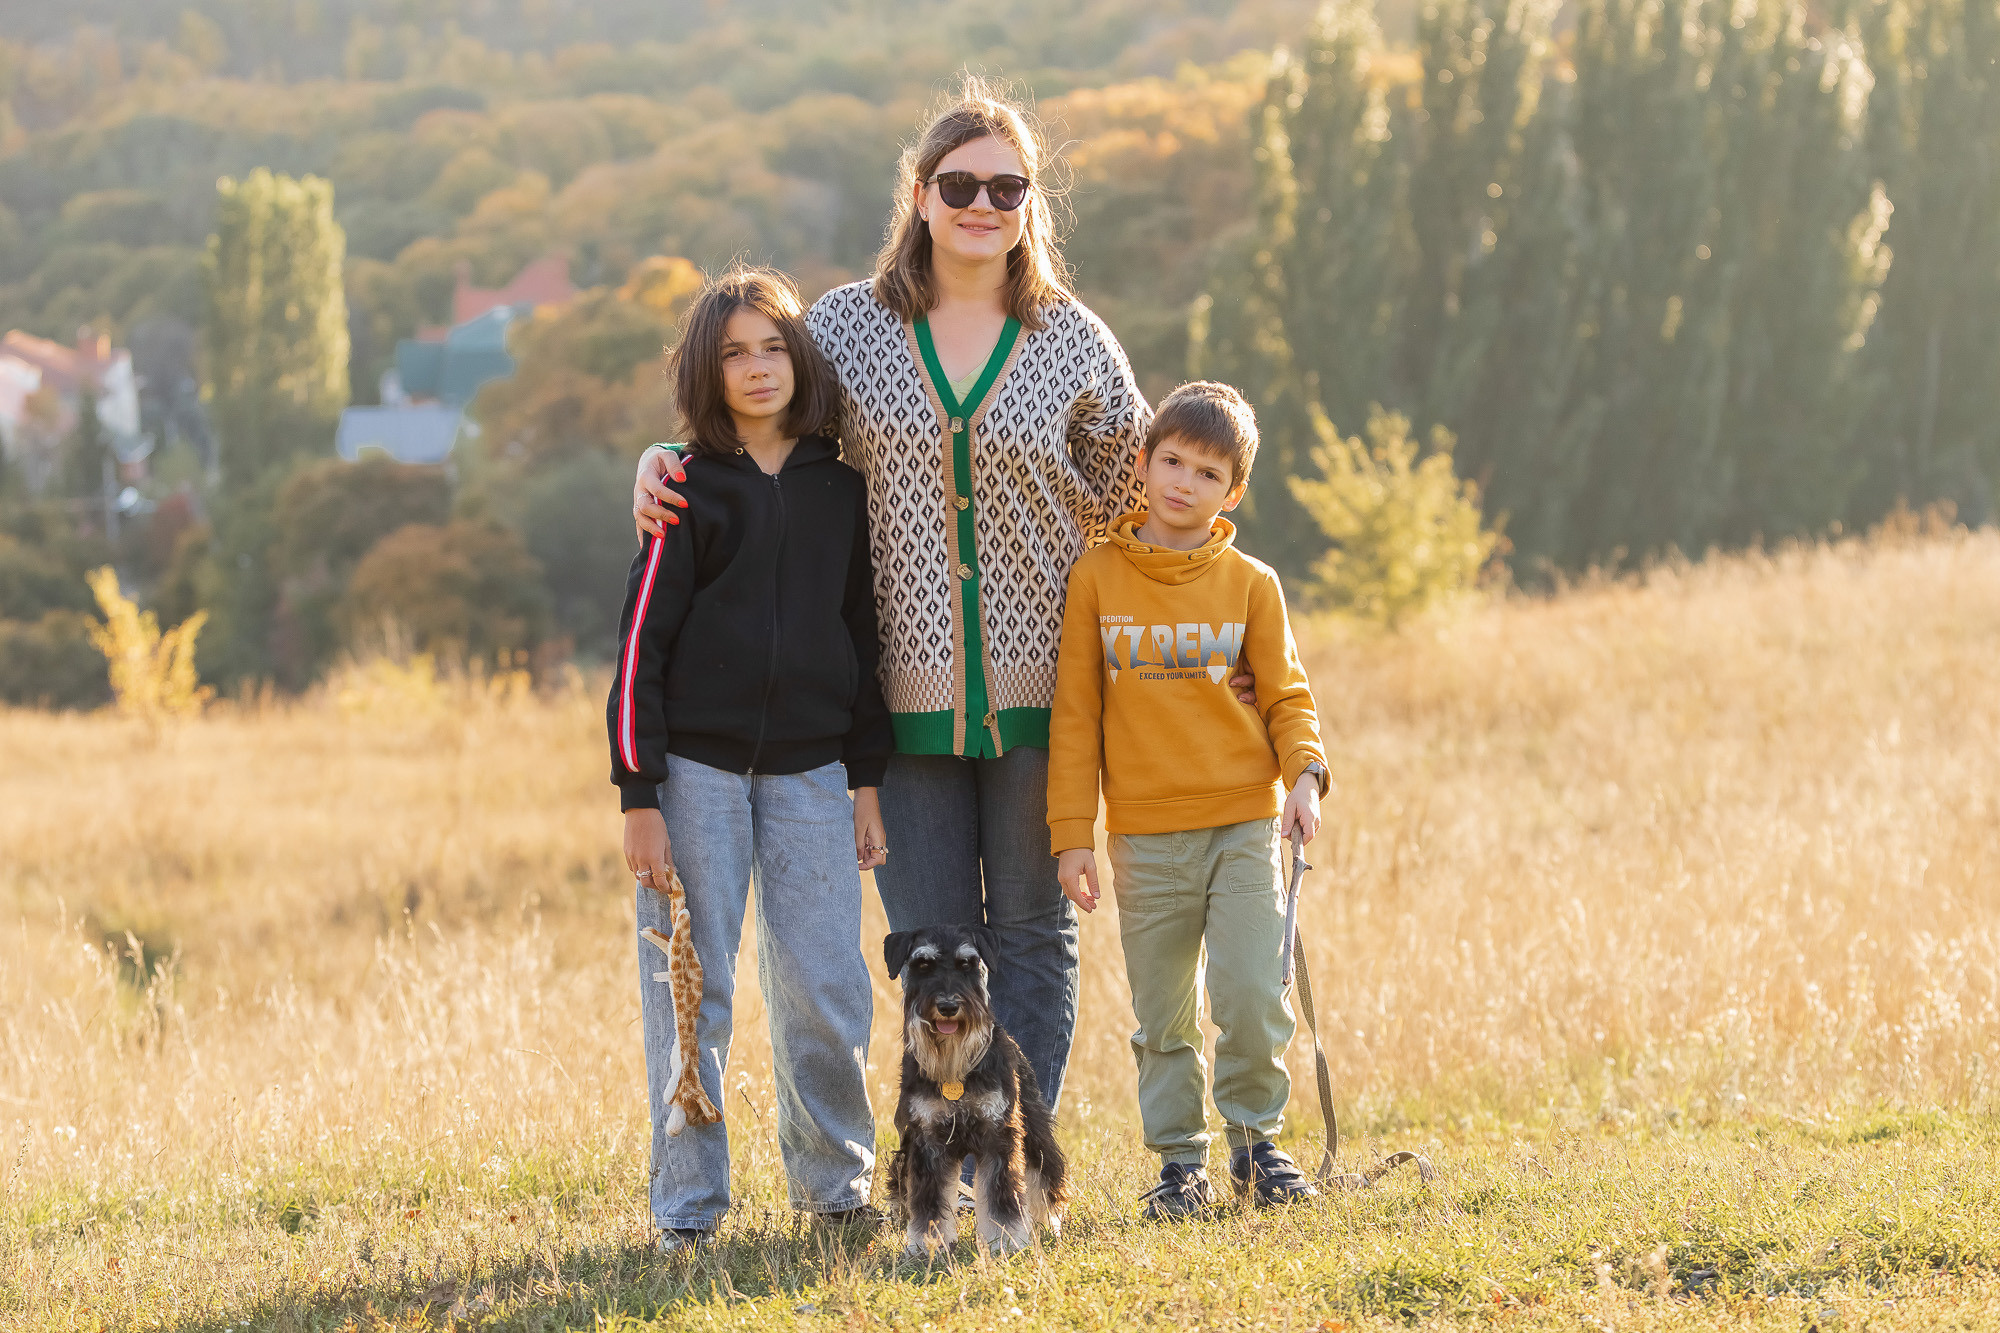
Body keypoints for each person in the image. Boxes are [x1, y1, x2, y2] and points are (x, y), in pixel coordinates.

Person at [630, 79, 1246, 1112]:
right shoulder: (845, 330)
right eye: (957, 182)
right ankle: (939, 1155)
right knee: (925, 946)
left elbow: (1147, 501)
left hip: (1047, 697)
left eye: (1007, 186)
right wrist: (656, 460)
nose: (981, 203)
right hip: (892, 700)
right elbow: (756, 421)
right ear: (918, 196)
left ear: (1028, 205)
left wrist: (1213, 628)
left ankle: (1012, 1150)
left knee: (1028, 933)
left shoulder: (1074, 343)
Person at [611, 265, 892, 1253]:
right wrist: (638, 794)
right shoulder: (685, 486)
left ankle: (834, 1188)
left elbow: (860, 635)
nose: (757, 366)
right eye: (733, 351)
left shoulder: (840, 489)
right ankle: (688, 1209)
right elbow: (641, 643)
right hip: (694, 774)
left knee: (824, 980)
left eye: (773, 345)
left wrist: (865, 779)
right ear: (706, 368)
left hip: (815, 773)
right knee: (694, 985)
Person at [1046, 381, 1331, 1219]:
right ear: (1143, 462)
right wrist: (1073, 834)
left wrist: (1306, 775)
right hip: (1144, 836)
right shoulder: (1096, 576)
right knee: (1161, 1016)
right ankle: (1180, 1164)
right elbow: (1077, 715)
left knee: (1249, 993)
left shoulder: (1252, 583)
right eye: (1170, 460)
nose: (1183, 482)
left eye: (1208, 472)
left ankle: (1256, 1146)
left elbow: (1286, 695)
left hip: (1243, 824)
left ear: (1233, 491)